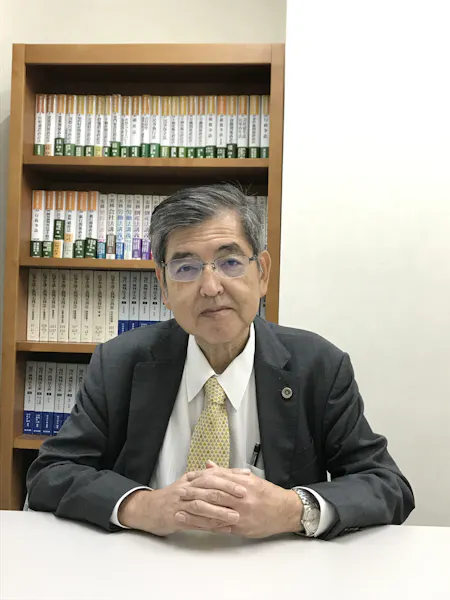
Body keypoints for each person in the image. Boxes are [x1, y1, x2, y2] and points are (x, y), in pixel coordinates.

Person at [27, 183, 414, 540]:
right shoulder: (119, 363)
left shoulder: (318, 366)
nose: (211, 288)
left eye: (230, 262)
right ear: (163, 287)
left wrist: (294, 509)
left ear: (262, 273)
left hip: (277, 571)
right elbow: (51, 474)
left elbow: (387, 486)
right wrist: (142, 506)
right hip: (146, 566)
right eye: (186, 268)